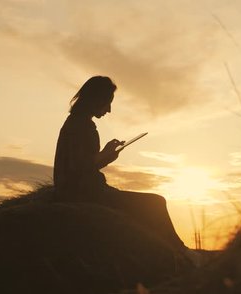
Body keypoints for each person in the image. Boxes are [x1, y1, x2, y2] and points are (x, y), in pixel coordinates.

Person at [53, 76, 185, 250]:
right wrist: (105, 155)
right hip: (86, 193)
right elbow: (81, 165)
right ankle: (179, 251)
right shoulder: (80, 125)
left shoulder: (78, 123)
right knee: (156, 203)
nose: (109, 110)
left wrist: (107, 155)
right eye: (107, 103)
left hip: (82, 189)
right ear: (96, 100)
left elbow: (83, 164)